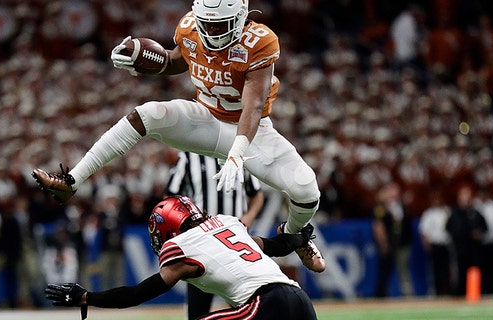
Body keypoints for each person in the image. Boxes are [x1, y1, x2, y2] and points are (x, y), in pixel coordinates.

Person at [32, 0, 324, 273]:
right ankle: (71, 182)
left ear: (240, 19)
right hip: (206, 120)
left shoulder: (259, 41)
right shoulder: (190, 28)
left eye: (219, 25)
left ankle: (293, 234)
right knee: (145, 114)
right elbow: (174, 61)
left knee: (306, 189)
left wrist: (237, 152)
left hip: (251, 129)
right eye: (205, 23)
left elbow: (254, 105)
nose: (210, 30)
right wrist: (141, 60)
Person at [45, 196, 319, 319]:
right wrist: (299, 237)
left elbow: (138, 293)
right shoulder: (227, 222)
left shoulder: (182, 246)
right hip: (301, 301)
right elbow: (275, 245)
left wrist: (87, 297)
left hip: (265, 305)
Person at [166, 151, 264, 319]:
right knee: (198, 311)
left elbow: (257, 195)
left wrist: (248, 218)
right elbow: (170, 198)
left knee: (247, 308)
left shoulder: (240, 154)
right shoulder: (189, 156)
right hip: (201, 246)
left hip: (235, 243)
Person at [371, 182, 414, 297]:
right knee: (385, 269)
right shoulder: (381, 207)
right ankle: (382, 293)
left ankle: (407, 293)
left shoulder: (402, 206)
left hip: (402, 242)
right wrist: (383, 242)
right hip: (389, 243)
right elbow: (378, 225)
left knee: (403, 269)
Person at [445, 183, 488, 296]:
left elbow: (484, 227)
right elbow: (449, 228)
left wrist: (478, 233)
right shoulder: (454, 212)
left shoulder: (474, 212)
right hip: (460, 248)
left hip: (474, 248)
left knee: (475, 270)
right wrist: (466, 234)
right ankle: (460, 293)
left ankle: (476, 292)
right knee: (460, 272)